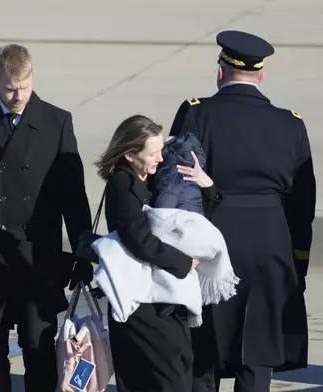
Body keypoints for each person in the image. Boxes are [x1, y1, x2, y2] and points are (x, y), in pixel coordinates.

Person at [169, 30, 316, 392]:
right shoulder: (291, 123)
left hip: (212, 245)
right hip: (271, 247)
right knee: (257, 354)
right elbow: (302, 205)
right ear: (261, 75)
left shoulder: (196, 114)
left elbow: (175, 186)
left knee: (203, 354)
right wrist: (296, 264)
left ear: (221, 71)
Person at [0, 44, 93, 392]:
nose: (18, 95)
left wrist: (84, 250)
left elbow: (73, 196)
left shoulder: (56, 122)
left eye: (24, 87)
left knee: (37, 344)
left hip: (35, 257)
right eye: (10, 88)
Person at [95, 114, 210, 392]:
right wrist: (183, 262)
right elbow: (140, 240)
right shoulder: (122, 186)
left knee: (175, 369)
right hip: (141, 302)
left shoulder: (149, 180)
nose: (161, 159)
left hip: (160, 298)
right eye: (153, 153)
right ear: (130, 155)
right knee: (166, 378)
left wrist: (206, 185)